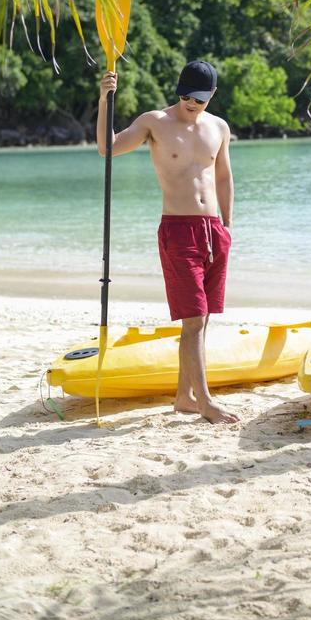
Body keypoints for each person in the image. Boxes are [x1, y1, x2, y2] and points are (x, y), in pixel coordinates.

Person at [97, 59, 239, 424]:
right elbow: (107, 147)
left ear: (212, 95)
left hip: (213, 232)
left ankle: (184, 397)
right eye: (186, 96)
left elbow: (223, 176)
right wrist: (103, 100)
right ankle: (206, 403)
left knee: (202, 321)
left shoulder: (218, 127)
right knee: (194, 318)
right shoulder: (154, 123)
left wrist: (228, 225)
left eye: (200, 98)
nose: (192, 103)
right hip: (178, 231)